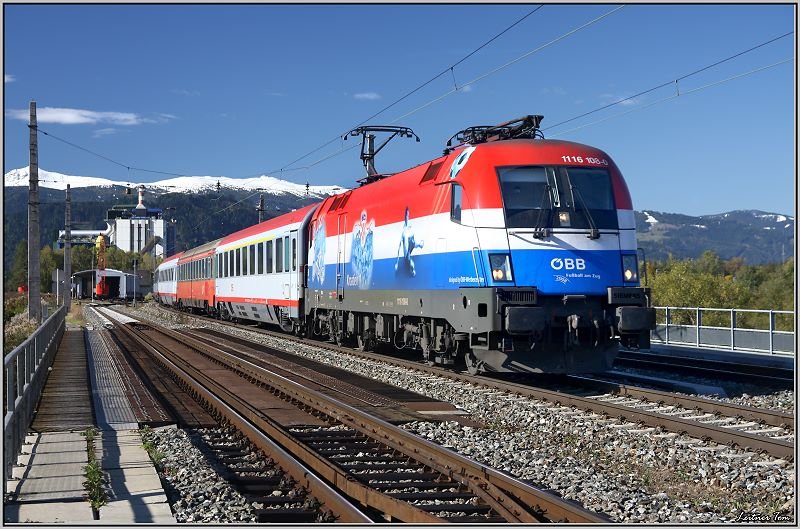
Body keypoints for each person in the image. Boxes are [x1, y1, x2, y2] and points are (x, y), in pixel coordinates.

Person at [395, 207, 424, 277]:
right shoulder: (405, 228)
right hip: (411, 240)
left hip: (410, 240)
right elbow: (400, 245)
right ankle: (419, 244)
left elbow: (400, 246)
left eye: (407, 215)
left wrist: (397, 262)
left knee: (407, 258)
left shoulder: (406, 227)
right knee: (413, 247)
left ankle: (413, 271)